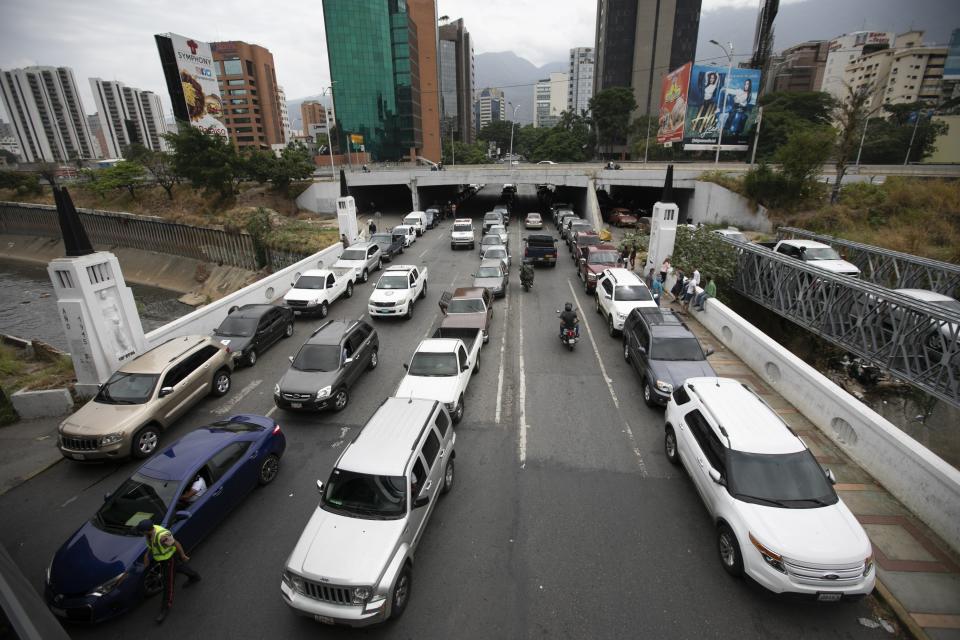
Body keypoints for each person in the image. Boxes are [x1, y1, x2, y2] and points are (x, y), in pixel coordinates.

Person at [138, 519, 200, 624]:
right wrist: (146, 555)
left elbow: (176, 543)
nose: (140, 533)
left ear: (147, 530)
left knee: (168, 584)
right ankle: (194, 576)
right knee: (179, 567)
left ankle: (165, 608)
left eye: (141, 531)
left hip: (169, 560)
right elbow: (152, 544)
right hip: (163, 560)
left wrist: (183, 555)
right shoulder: (149, 533)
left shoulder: (163, 536)